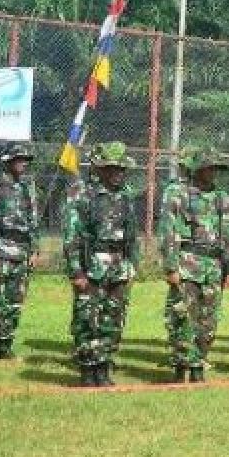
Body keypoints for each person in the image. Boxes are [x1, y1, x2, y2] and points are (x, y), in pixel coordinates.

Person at [62, 141, 139, 388]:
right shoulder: (82, 193)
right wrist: (76, 271)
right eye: (113, 168)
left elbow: (132, 235)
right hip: (91, 265)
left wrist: (132, 266)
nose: (118, 173)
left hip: (119, 265)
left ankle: (104, 367)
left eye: (121, 169)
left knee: (113, 318)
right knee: (87, 318)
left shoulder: (126, 195)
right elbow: (73, 235)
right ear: (99, 169)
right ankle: (87, 369)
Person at [160, 146, 229, 383]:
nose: (211, 173)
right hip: (187, 262)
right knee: (182, 317)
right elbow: (169, 231)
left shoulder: (221, 197)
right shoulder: (178, 193)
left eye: (214, 168)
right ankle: (181, 365)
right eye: (207, 168)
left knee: (209, 320)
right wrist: (171, 266)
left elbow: (228, 235)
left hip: (213, 266)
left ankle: (199, 363)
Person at [0, 143, 39, 359]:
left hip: (21, 251)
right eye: (19, 158)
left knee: (15, 300)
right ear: (8, 161)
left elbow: (33, 221)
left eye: (25, 160)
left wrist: (35, 249)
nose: (23, 163)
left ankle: (5, 344)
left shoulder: (27, 188)